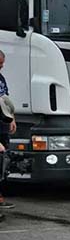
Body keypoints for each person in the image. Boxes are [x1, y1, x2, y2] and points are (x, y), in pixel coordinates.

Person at [0, 50, 16, 209]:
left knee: (4, 162)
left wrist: (12, 119)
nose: (2, 66)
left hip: (3, 125)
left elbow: (7, 101)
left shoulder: (1, 79)